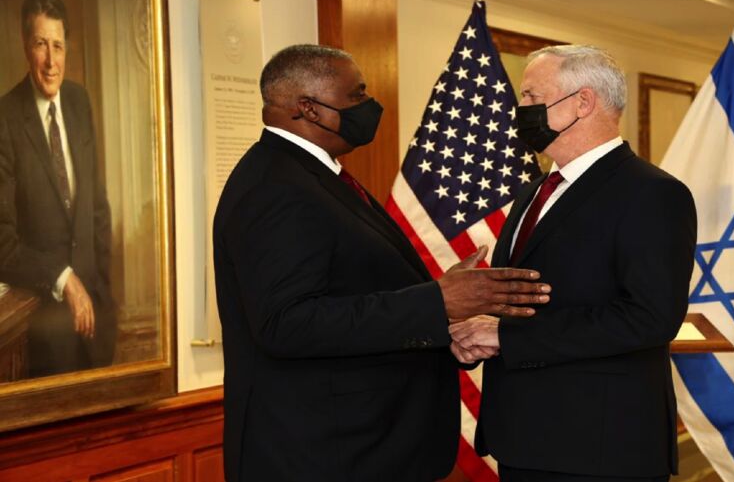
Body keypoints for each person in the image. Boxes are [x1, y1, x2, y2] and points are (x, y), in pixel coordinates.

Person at [212, 44, 551, 482]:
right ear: (307, 108)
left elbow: (352, 293)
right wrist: (436, 302)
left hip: (364, 447)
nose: (370, 105)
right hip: (322, 454)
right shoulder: (276, 187)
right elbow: (286, 323)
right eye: (356, 95)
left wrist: (439, 303)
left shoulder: (318, 176)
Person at [450, 45, 697, 481]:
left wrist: (507, 336)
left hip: (600, 448)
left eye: (530, 96)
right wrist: (478, 327)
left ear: (582, 103)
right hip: (522, 439)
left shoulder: (652, 193)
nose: (519, 108)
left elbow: (650, 318)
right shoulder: (533, 192)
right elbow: (523, 298)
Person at [0, 0, 115, 378]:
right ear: (24, 44)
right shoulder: (5, 118)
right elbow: (3, 242)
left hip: (97, 322)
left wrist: (103, 295)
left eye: (58, 45)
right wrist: (65, 280)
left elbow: (97, 206)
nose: (51, 61)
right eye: (40, 44)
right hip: (43, 334)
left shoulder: (80, 103)